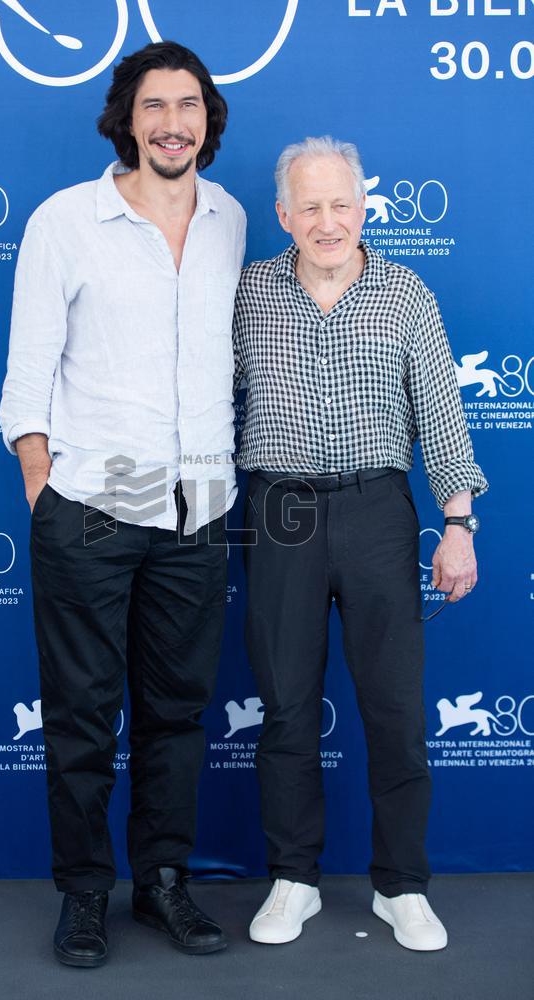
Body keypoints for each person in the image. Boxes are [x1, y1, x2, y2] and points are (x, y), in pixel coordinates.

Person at [0, 41, 246, 967]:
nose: (172, 122)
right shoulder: (67, 220)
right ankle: (83, 895)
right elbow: (26, 374)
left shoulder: (228, 218)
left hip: (200, 510)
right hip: (89, 510)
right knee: (79, 716)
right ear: (126, 119)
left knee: (178, 714)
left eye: (188, 105)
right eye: (155, 106)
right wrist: (42, 487)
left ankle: (165, 885)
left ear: (206, 121)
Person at [233, 136, 487, 951]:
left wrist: (457, 525)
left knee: (396, 709)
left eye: (340, 203)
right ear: (284, 216)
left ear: (364, 207)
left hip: (379, 509)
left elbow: (442, 417)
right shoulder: (249, 294)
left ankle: (402, 886)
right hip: (279, 512)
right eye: (309, 206)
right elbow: (200, 403)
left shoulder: (407, 293)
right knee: (285, 708)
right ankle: (294, 880)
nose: (327, 220)